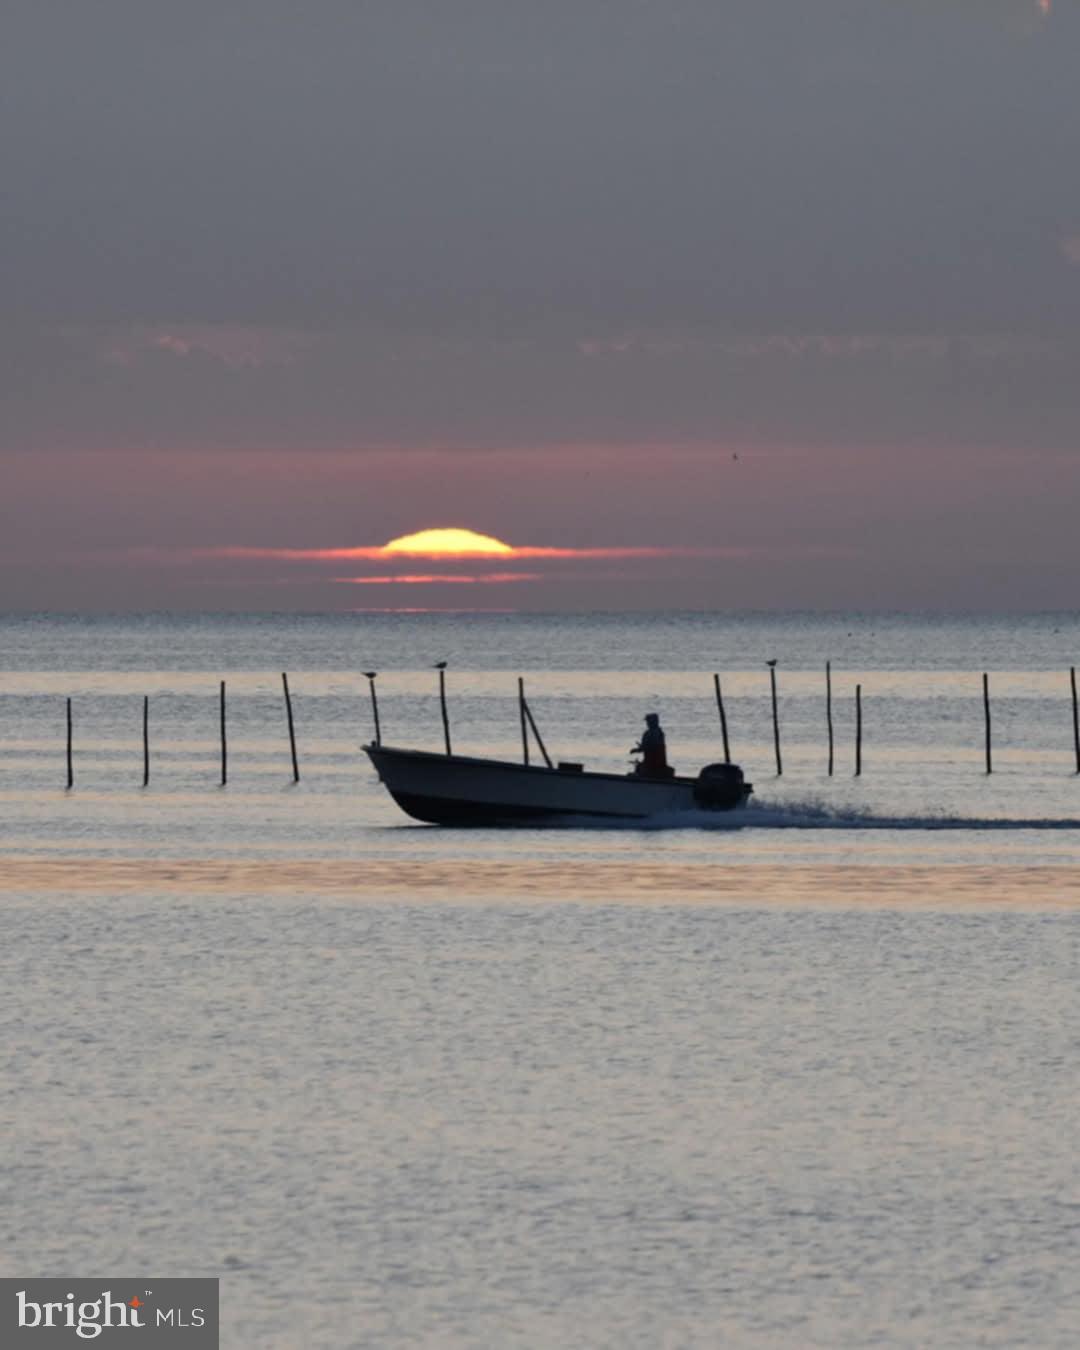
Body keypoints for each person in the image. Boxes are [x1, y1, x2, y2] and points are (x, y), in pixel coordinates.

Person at [632, 712, 672, 778]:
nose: (647, 723)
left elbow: (645, 748)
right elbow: (652, 747)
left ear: (651, 722)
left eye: (647, 721)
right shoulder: (660, 733)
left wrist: (635, 750)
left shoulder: (648, 733)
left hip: (650, 766)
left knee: (636, 770)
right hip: (661, 765)